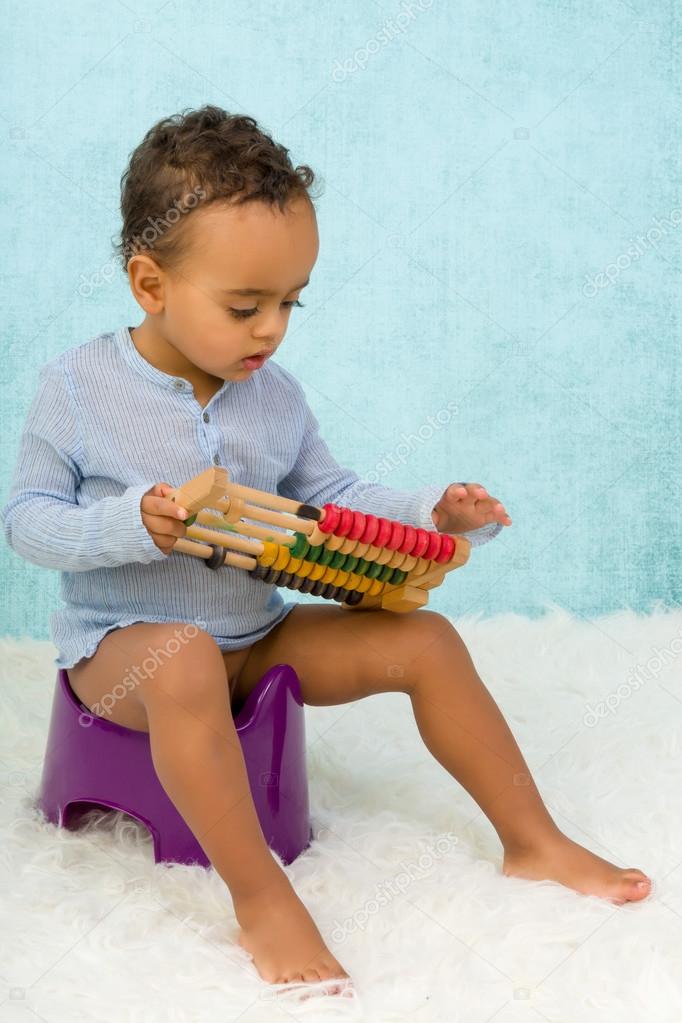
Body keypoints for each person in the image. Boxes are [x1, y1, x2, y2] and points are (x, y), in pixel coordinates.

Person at [1, 105, 652, 994]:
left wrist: (431, 511)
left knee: (425, 641)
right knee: (184, 655)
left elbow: (331, 497)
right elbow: (27, 520)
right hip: (126, 654)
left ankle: (530, 838)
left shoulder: (274, 396)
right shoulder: (75, 386)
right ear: (149, 284)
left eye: (288, 303)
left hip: (255, 635)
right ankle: (262, 896)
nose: (270, 329)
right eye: (244, 306)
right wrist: (127, 523)